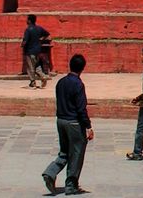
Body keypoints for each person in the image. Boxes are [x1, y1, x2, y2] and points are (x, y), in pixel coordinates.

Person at [42, 54, 93, 196]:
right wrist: (88, 126)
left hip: (61, 120)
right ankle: (71, 185)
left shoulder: (61, 82)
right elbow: (81, 108)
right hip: (74, 122)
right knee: (76, 153)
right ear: (82, 68)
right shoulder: (78, 84)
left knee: (64, 152)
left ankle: (50, 172)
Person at [22, 14, 51, 89]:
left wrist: (22, 45)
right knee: (37, 66)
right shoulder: (39, 28)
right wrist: (41, 39)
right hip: (37, 50)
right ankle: (43, 76)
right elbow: (47, 34)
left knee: (30, 67)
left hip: (30, 51)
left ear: (29, 20)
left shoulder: (28, 30)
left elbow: (25, 41)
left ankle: (33, 82)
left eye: (27, 19)